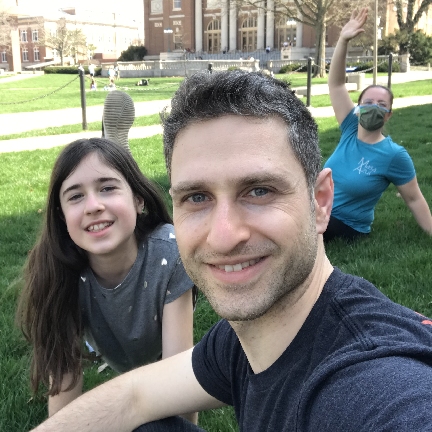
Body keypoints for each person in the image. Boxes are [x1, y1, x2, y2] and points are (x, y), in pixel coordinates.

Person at [32, 71, 432, 432]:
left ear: (321, 202)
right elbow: (133, 396)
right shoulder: (242, 339)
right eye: (197, 196)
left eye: (259, 191)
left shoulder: (375, 386)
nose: (223, 237)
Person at [18, 138, 195, 419]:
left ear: (138, 199)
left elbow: (180, 378)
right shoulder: (56, 272)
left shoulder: (171, 253)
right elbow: (63, 396)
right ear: (62, 217)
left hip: (159, 347)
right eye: (75, 196)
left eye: (108, 188)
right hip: (108, 341)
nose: (93, 206)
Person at [324, 8, 432, 242]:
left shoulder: (394, 155)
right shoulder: (350, 127)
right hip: (320, 211)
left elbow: (414, 199)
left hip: (346, 224)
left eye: (381, 104)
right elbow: (336, 85)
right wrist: (342, 40)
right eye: (368, 102)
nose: (374, 107)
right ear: (358, 107)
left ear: (388, 115)